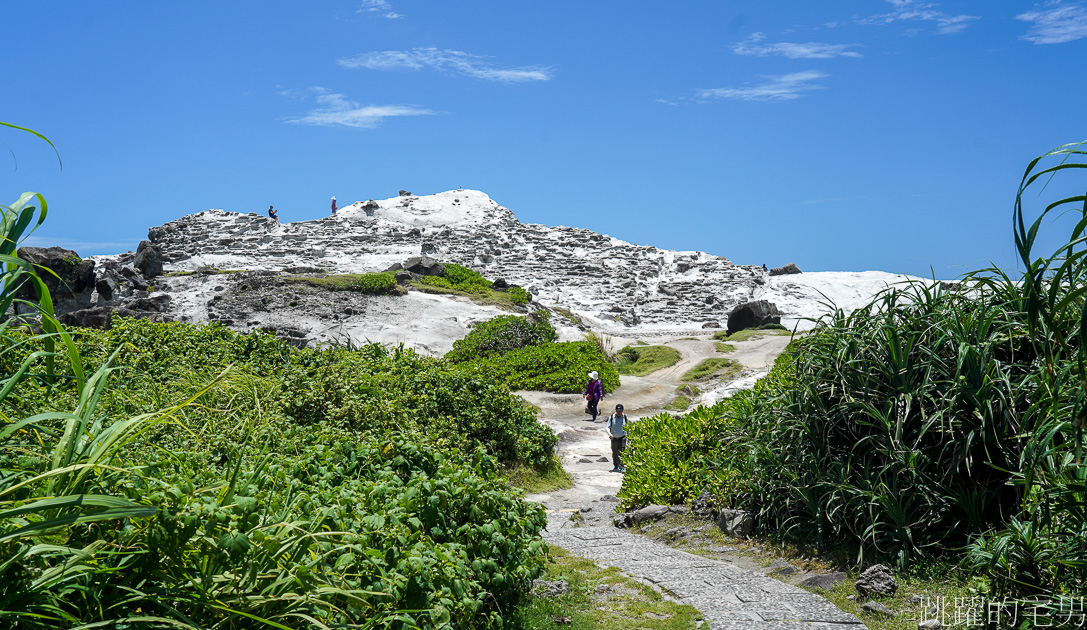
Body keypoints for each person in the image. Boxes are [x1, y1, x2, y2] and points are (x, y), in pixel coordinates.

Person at [607, 404, 629, 472]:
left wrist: (629, 437)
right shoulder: (611, 417)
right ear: (616, 411)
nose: (619, 413)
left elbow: (628, 427)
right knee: (615, 452)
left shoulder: (625, 417)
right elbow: (607, 427)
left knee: (622, 452)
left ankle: (622, 466)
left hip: (623, 437)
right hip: (614, 438)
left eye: (620, 411)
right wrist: (610, 434)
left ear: (622, 411)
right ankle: (616, 465)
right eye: (618, 411)